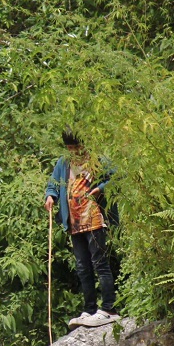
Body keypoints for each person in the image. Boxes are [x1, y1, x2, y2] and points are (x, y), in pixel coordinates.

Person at [44, 130, 120, 328]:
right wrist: (50, 196)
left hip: (94, 217)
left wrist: (101, 188)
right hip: (74, 221)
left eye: (76, 147)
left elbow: (116, 177)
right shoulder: (64, 162)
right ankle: (89, 309)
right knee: (82, 266)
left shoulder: (96, 159)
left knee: (99, 262)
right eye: (69, 148)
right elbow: (53, 184)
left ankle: (109, 308)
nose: (73, 151)